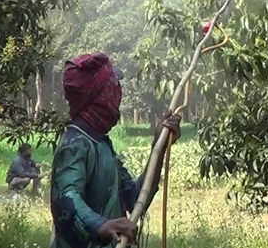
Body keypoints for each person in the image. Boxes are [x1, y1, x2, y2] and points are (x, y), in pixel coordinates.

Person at [49, 53, 181, 248]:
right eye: (113, 88)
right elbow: (65, 200)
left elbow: (136, 198)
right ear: (100, 96)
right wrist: (102, 226)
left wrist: (159, 146)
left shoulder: (102, 144)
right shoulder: (74, 145)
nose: (118, 95)